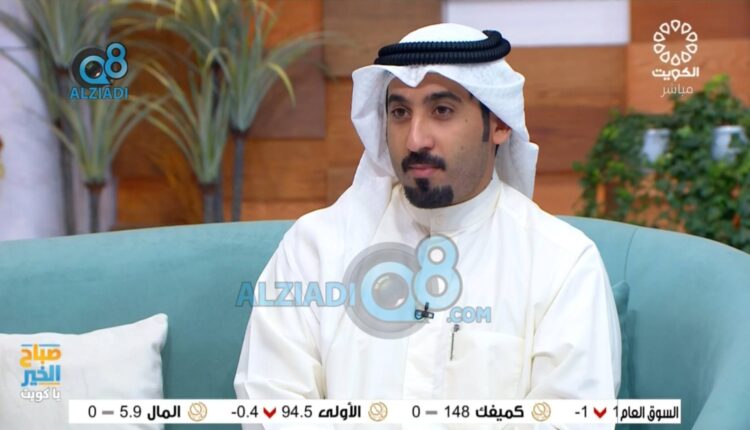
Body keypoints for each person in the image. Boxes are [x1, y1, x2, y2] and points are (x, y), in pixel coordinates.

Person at [235, 23, 621, 429]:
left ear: (499, 124)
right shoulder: (315, 248)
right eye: (400, 112)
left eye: (442, 111)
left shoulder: (561, 264)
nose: (415, 139)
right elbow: (271, 405)